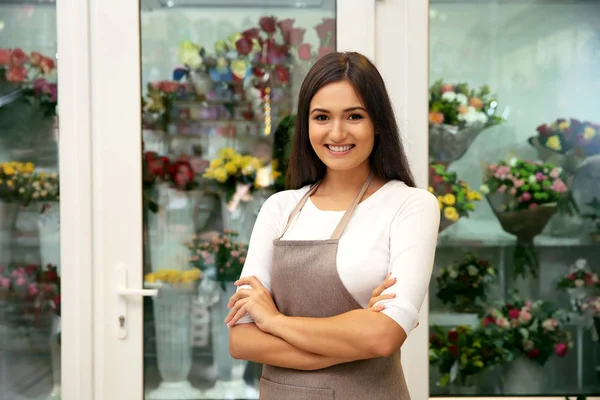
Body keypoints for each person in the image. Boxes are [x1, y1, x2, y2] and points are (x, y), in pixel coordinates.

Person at [225, 51, 439, 400]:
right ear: (306, 124)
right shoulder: (279, 208)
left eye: (354, 116)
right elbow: (242, 339)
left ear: (377, 123)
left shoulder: (411, 206)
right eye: (322, 117)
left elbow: (383, 337)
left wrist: (275, 322)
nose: (337, 132)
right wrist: (354, 335)